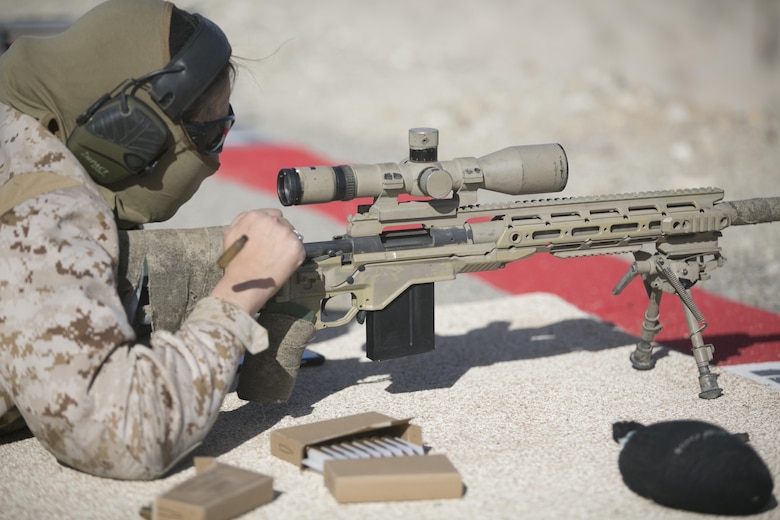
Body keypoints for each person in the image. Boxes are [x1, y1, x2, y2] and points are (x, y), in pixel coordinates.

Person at [0, 0, 306, 480]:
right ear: (127, 131)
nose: (216, 156)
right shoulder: (44, 207)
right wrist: (240, 290)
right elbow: (122, 434)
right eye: (208, 132)